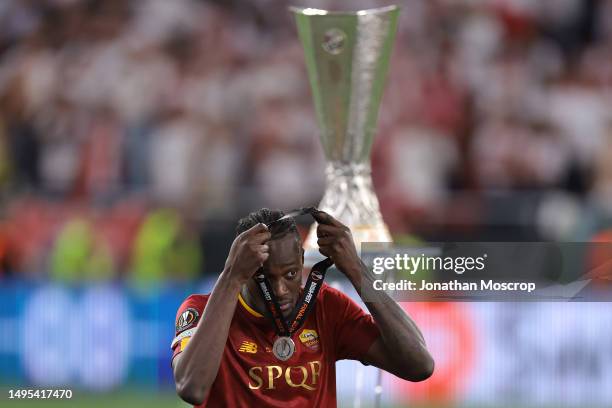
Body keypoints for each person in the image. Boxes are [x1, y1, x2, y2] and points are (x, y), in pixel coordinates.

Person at [171, 208, 434, 407]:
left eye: (290, 274)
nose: (282, 290)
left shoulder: (326, 307)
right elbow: (191, 387)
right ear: (244, 270)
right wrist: (231, 278)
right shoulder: (201, 310)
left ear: (301, 262)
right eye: (266, 278)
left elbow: (419, 365)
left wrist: (357, 270)